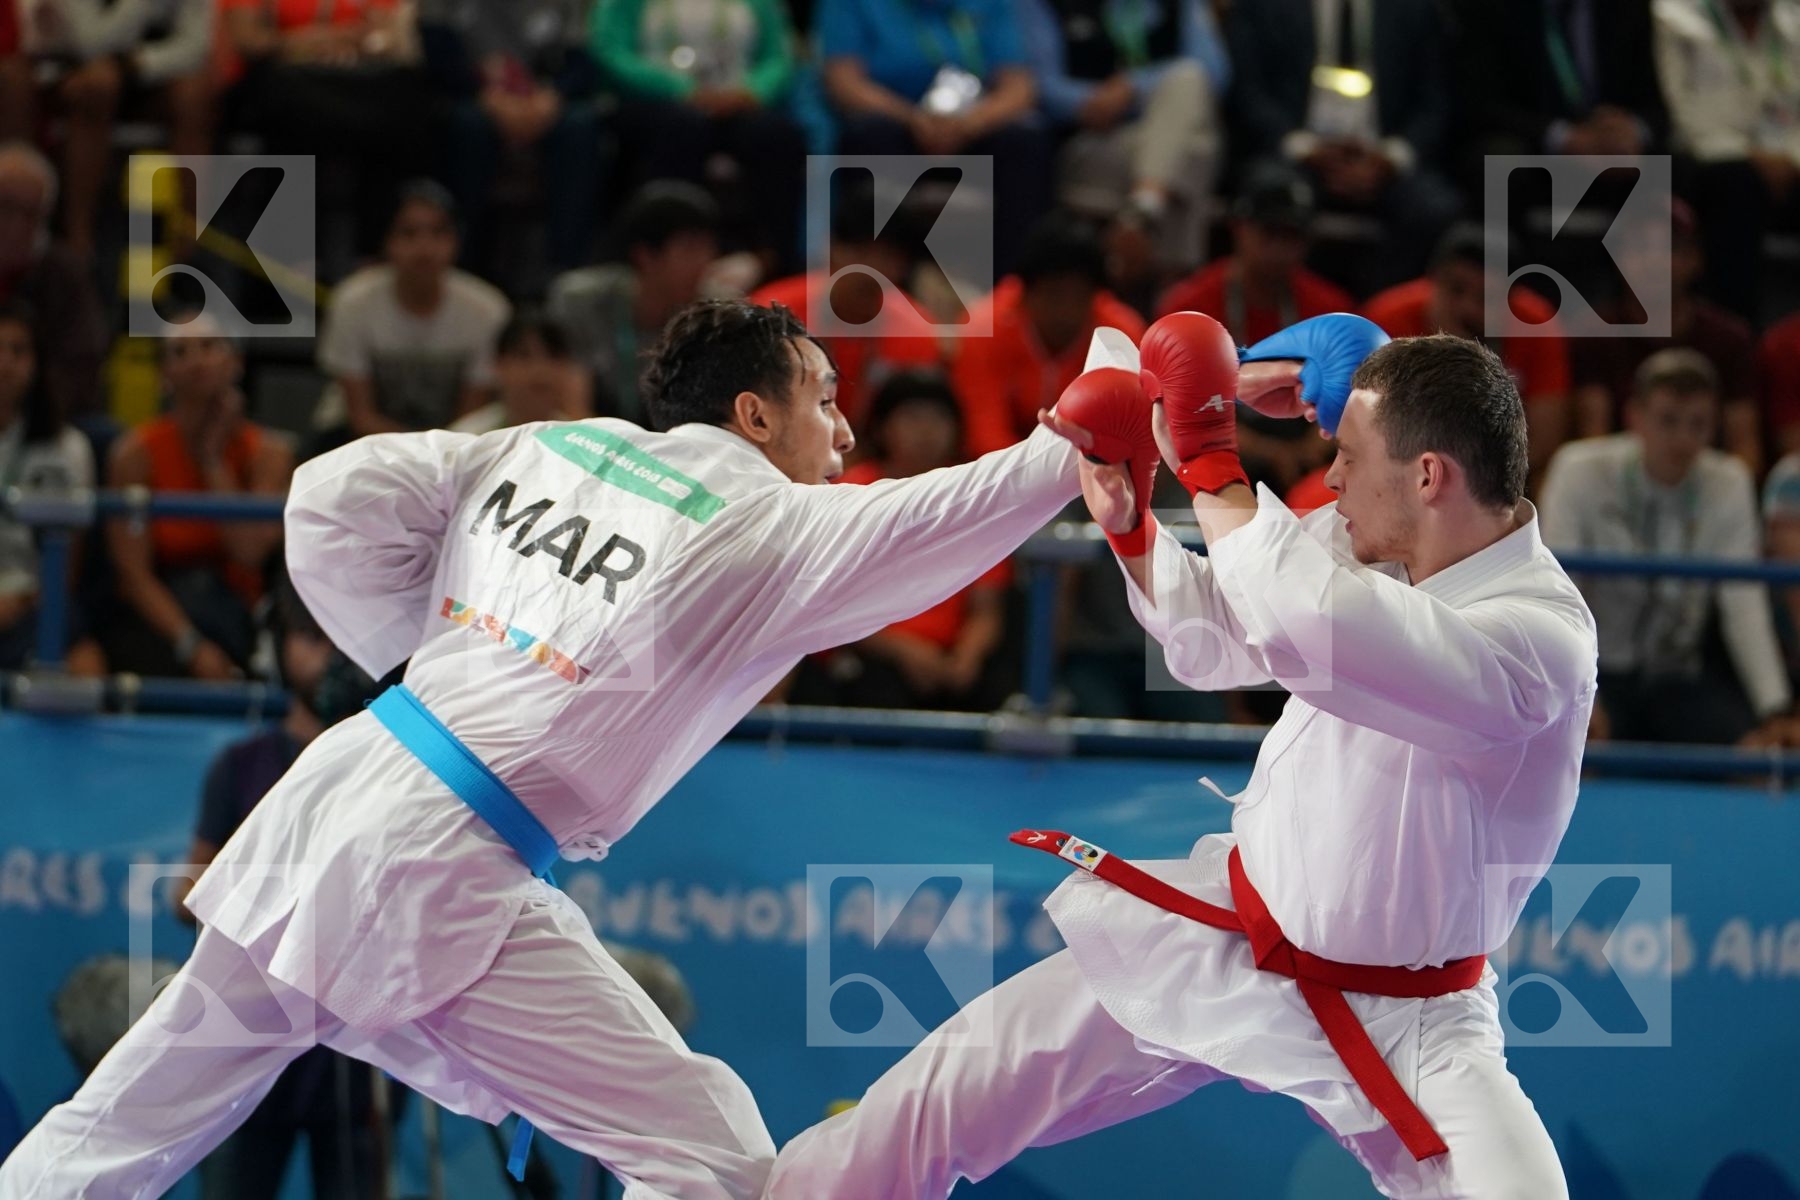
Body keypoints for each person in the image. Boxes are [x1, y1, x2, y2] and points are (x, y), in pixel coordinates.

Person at [0, 298, 1094, 1200]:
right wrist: (1070, 443)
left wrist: (427, 660)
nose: (846, 433)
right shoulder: (767, 521)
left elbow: (328, 498)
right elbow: (946, 517)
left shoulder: (558, 442)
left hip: (354, 784)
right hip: (440, 856)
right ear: (756, 416)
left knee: (117, 1128)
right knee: (708, 1157)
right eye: (826, 401)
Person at [767, 319, 1599, 1199]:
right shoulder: (1390, 552)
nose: (1335, 477)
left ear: (1429, 476)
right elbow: (1220, 632)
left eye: (1349, 456)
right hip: (1232, 929)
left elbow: (1307, 618)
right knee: (948, 1092)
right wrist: (1135, 523)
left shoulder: (1536, 639)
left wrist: (1209, 452)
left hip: (1411, 1020)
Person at [172, 581, 388, 1199]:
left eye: (342, 642)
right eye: (312, 639)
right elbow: (184, 894)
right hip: (246, 1042)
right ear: (281, 647)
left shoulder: (381, 770)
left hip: (352, 1051)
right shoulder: (242, 766)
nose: (329, 658)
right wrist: (277, 889)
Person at [1541, 349, 1791, 746]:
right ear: (1634, 416)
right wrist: (1577, 697)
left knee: (1757, 761)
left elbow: (1743, 603)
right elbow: (1557, 597)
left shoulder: (1728, 483)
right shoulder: (1580, 471)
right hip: (1596, 675)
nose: (1683, 439)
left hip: (1679, 678)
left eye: (1698, 424)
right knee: (1569, 757)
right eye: (1668, 420)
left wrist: (1775, 708)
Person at [790, 370, 1012, 709]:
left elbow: (987, 608)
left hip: (950, 658)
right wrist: (906, 651)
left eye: (938, 418)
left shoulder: (976, 496)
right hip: (868, 651)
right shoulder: (848, 494)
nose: (926, 431)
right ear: (882, 427)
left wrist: (964, 659)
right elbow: (826, 604)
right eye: (911, 418)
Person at [1223, 0, 1461, 295]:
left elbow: (1435, 102)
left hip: (1383, 157)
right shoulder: (1266, 6)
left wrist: (1391, 158)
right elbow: (1249, 92)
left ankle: (1387, 321)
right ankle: (1288, 322)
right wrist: (1304, 149)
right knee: (1273, 196)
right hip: (1298, 153)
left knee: (1435, 210)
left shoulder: (1415, 8)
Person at [103, 316, 294, 679]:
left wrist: (212, 460)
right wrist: (191, 645)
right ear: (164, 374)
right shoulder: (133, 455)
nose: (196, 360)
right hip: (162, 622)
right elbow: (134, 574)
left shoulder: (270, 452)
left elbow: (249, 552)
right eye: (180, 351)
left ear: (235, 362)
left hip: (243, 619)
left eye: (209, 346)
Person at [817, 0, 1052, 277]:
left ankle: (1011, 285)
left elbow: (1019, 87)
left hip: (972, 128)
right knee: (870, 135)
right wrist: (912, 119)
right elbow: (843, 81)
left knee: (1025, 141)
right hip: (896, 124)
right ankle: (882, 283)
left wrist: (969, 124)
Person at [1019, 0, 1231, 282]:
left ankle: (1143, 211)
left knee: (1189, 86)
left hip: (1159, 135)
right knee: (1194, 151)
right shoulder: (1047, 5)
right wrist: (1091, 100)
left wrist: (1133, 87)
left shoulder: (1182, 5)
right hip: (1092, 141)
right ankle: (1172, 294)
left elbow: (1213, 73)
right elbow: (1038, 84)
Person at [592, 0, 807, 275]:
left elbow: (778, 56)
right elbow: (611, 51)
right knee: (682, 127)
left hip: (736, 100)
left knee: (777, 135)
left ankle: (774, 261)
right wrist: (679, 89)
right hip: (655, 101)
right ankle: (665, 255)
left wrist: (752, 91)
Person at [0, 0, 216, 259]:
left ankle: (192, 239)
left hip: (139, 66)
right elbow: (89, 42)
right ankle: (77, 243)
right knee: (97, 87)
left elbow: (197, 47)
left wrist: (137, 64)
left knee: (195, 96)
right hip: (60, 63)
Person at [1362, 222, 1571, 484]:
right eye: (1456, 290)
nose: (1468, 309)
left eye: (1486, 297)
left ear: (1511, 297)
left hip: (1500, 480)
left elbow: (1544, 440)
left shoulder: (1535, 324)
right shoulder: (1387, 319)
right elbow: (1362, 424)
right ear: (1432, 282)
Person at [315, 180, 512, 442]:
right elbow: (360, 415)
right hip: (359, 439)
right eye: (409, 233)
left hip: (454, 445)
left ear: (456, 241)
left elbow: (471, 416)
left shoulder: (487, 309)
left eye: (438, 233)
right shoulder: (352, 302)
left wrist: (436, 458)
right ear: (387, 241)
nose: (425, 247)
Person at [422, 0, 604, 277]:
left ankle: (565, 269)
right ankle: (464, 262)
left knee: (580, 127)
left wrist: (551, 98)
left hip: (543, 99)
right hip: (472, 96)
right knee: (467, 127)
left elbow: (584, 60)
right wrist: (486, 97)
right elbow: (435, 51)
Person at [1655, 0, 1800, 324]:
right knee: (1736, 184)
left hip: (1788, 164)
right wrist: (1752, 156)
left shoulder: (1793, 19)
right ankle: (1738, 332)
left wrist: (1791, 158)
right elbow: (1682, 113)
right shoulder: (1674, 15)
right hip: (1712, 161)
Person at [952, 214, 1145, 457]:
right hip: (1001, 471)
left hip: (1085, 472)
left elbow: (1131, 438)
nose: (1066, 312)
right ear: (1025, 292)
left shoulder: (1121, 336)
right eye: (1054, 295)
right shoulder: (984, 329)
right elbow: (983, 433)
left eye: (1079, 297)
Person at [548, 180, 720, 425]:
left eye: (708, 249)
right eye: (690, 249)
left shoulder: (715, 311)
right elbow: (572, 405)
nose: (705, 262)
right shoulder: (580, 301)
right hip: (592, 440)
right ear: (645, 256)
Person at [0, 298, 101, 673]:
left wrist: (25, 600)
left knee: (85, 661)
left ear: (37, 363)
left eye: (18, 351)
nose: (5, 363)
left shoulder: (68, 448)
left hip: (34, 606)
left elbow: (67, 566)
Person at [0, 142, 105, 421]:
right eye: (5, 208)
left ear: (47, 217)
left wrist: (30, 409)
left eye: (29, 213)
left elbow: (82, 364)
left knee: (100, 433)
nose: (15, 225)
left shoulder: (65, 272)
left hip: (44, 418)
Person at [451, 311, 592, 435]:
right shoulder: (469, 437)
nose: (540, 369)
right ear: (498, 364)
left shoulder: (585, 439)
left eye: (554, 356)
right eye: (524, 356)